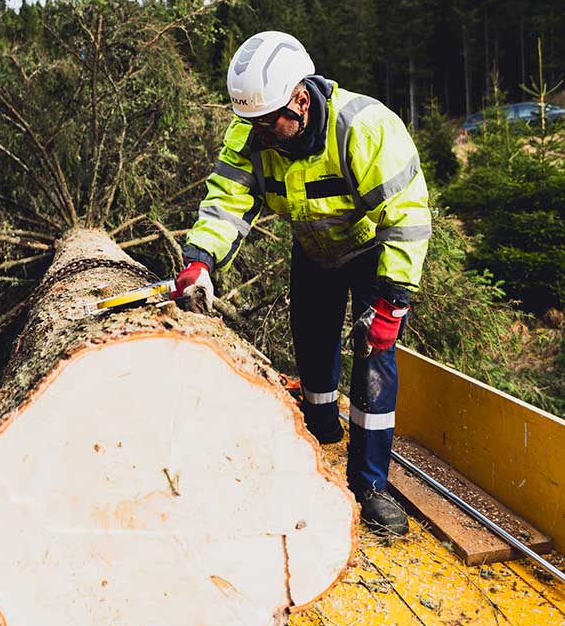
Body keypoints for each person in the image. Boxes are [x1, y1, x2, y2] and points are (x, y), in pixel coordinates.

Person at [175, 31, 431, 535]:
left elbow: (407, 217)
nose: (261, 135)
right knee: (313, 352)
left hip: (372, 253)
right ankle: (317, 433)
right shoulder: (252, 131)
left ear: (301, 97)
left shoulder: (364, 127)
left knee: (374, 359)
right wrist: (200, 260)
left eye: (271, 123)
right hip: (313, 251)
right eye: (251, 124)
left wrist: (392, 303)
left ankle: (371, 485)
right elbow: (228, 202)